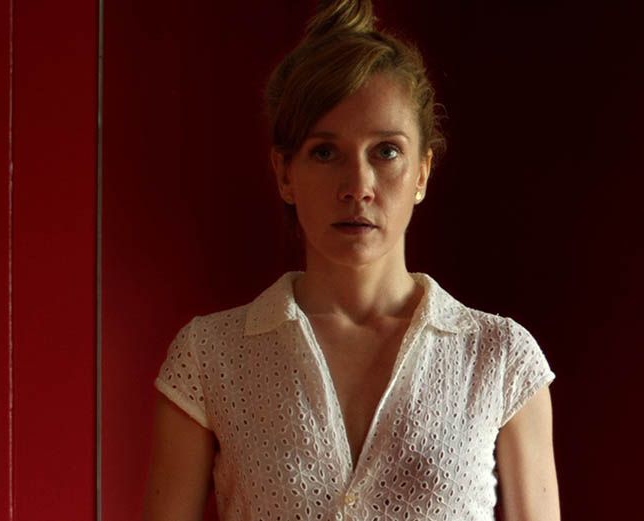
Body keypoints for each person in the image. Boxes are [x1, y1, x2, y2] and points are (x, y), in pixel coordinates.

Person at [142, 1, 558, 519]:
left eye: (386, 151)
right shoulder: (209, 359)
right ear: (284, 173)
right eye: (324, 152)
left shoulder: (500, 360)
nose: (358, 186)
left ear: (422, 172)